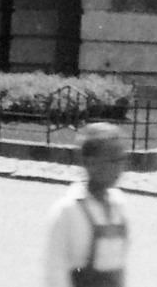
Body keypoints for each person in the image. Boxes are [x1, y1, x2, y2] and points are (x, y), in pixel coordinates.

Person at [43, 123, 129, 287]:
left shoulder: (119, 205)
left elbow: (120, 266)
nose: (120, 167)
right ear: (91, 163)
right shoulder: (68, 211)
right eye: (113, 160)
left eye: (122, 159)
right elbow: (54, 272)